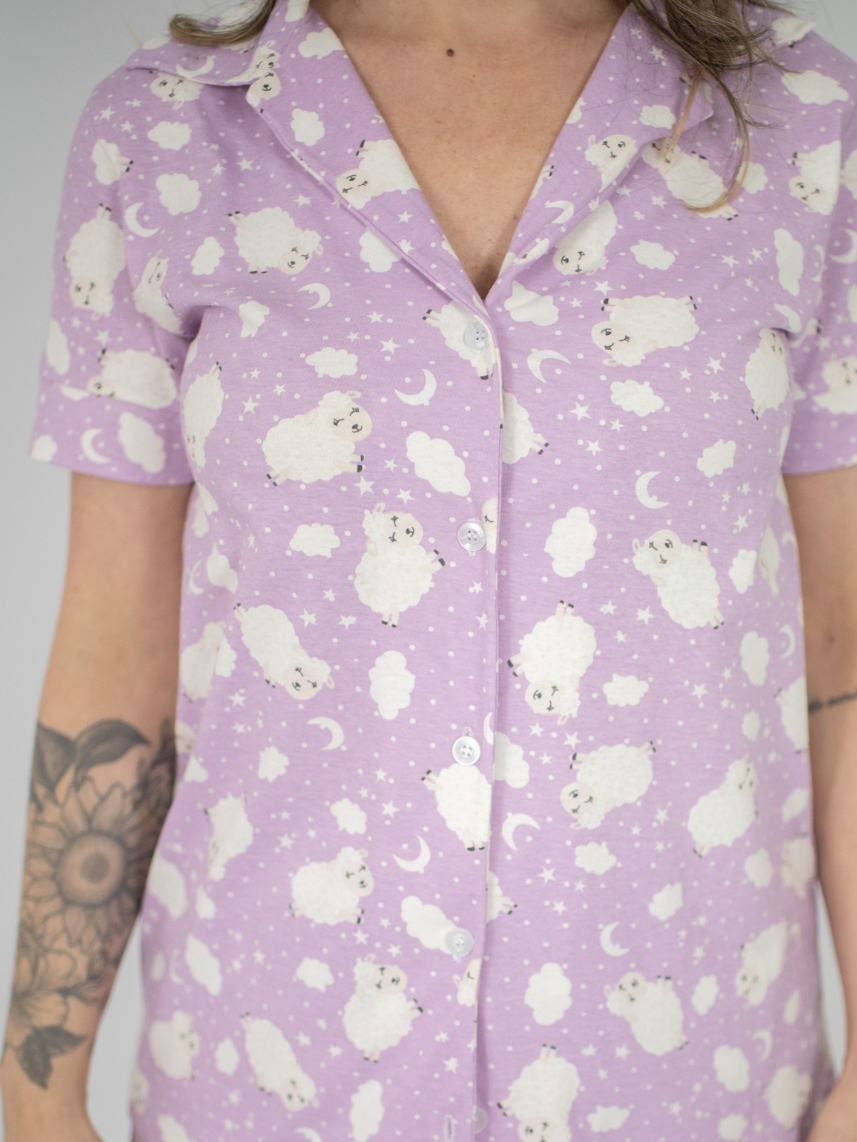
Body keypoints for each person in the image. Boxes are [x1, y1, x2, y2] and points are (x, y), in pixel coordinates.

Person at [4, 0, 857, 1136]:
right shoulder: (165, 131)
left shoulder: (799, 113)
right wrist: (36, 1086)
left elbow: (841, 639)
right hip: (270, 1068)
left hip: (688, 1074)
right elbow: (119, 641)